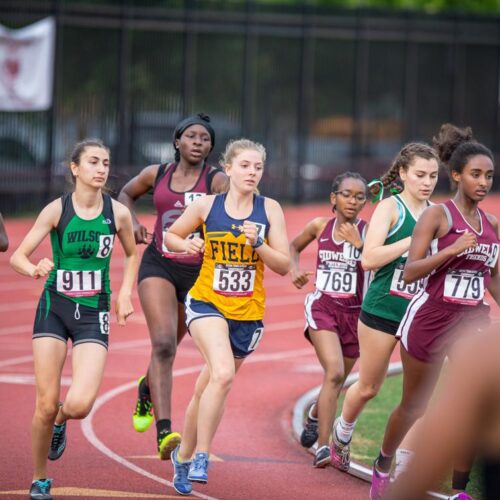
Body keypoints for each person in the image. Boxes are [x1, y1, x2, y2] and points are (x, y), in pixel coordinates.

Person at [370, 124, 500, 500]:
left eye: (489, 175)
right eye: (476, 174)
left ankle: (459, 491)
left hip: (472, 321)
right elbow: (411, 271)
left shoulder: (491, 224)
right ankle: (383, 464)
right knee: (414, 405)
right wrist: (450, 250)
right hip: (430, 318)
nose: (484, 182)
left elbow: (491, 280)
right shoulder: (437, 217)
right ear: (456, 175)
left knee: (471, 407)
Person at [9, 139, 139, 500]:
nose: (101, 169)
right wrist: (35, 268)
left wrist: (125, 292)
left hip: (93, 312)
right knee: (45, 403)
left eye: (106, 163)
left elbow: (131, 253)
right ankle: (39, 478)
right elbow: (17, 256)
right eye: (94, 162)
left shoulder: (118, 213)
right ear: (75, 168)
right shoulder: (56, 210)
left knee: (78, 404)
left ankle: (61, 423)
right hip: (54, 306)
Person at [164, 138, 290, 495]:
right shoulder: (207, 206)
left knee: (206, 388)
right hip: (206, 303)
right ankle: (203, 454)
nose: (252, 172)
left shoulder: (270, 210)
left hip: (247, 314)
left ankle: (183, 457)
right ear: (229, 169)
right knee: (221, 375)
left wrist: (259, 244)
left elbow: (283, 265)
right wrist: (186, 244)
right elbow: (171, 235)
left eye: (258, 167)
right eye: (246, 166)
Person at [117, 113, 228, 459]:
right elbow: (125, 193)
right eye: (192, 136)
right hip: (159, 264)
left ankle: (146, 386)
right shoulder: (157, 173)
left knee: (171, 347)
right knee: (163, 345)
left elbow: (235, 209)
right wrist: (132, 221)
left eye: (205, 139)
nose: (198, 142)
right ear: (177, 141)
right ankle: (165, 433)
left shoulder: (217, 180)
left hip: (199, 272)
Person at [331, 143, 440, 474]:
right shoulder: (390, 209)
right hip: (382, 310)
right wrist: (413, 240)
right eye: (420, 175)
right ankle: (342, 433)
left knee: (417, 400)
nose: (427, 182)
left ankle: (401, 464)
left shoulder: (439, 213)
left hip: (418, 316)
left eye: (433, 176)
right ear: (404, 173)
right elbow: (369, 259)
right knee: (369, 387)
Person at [289, 172, 369, 467]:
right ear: (333, 198)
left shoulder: (369, 231)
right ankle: (324, 447)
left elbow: (382, 264)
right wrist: (294, 270)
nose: (353, 200)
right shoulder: (319, 226)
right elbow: (293, 247)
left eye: (359, 196)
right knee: (334, 372)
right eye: (347, 194)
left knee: (338, 379)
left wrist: (360, 245)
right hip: (323, 307)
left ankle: (313, 414)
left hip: (355, 314)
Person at [385, 326, 500, 500]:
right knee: (416, 405)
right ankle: (391, 463)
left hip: (462, 330)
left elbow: (420, 479)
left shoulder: (489, 351)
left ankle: (457, 490)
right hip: (430, 324)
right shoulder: (488, 350)